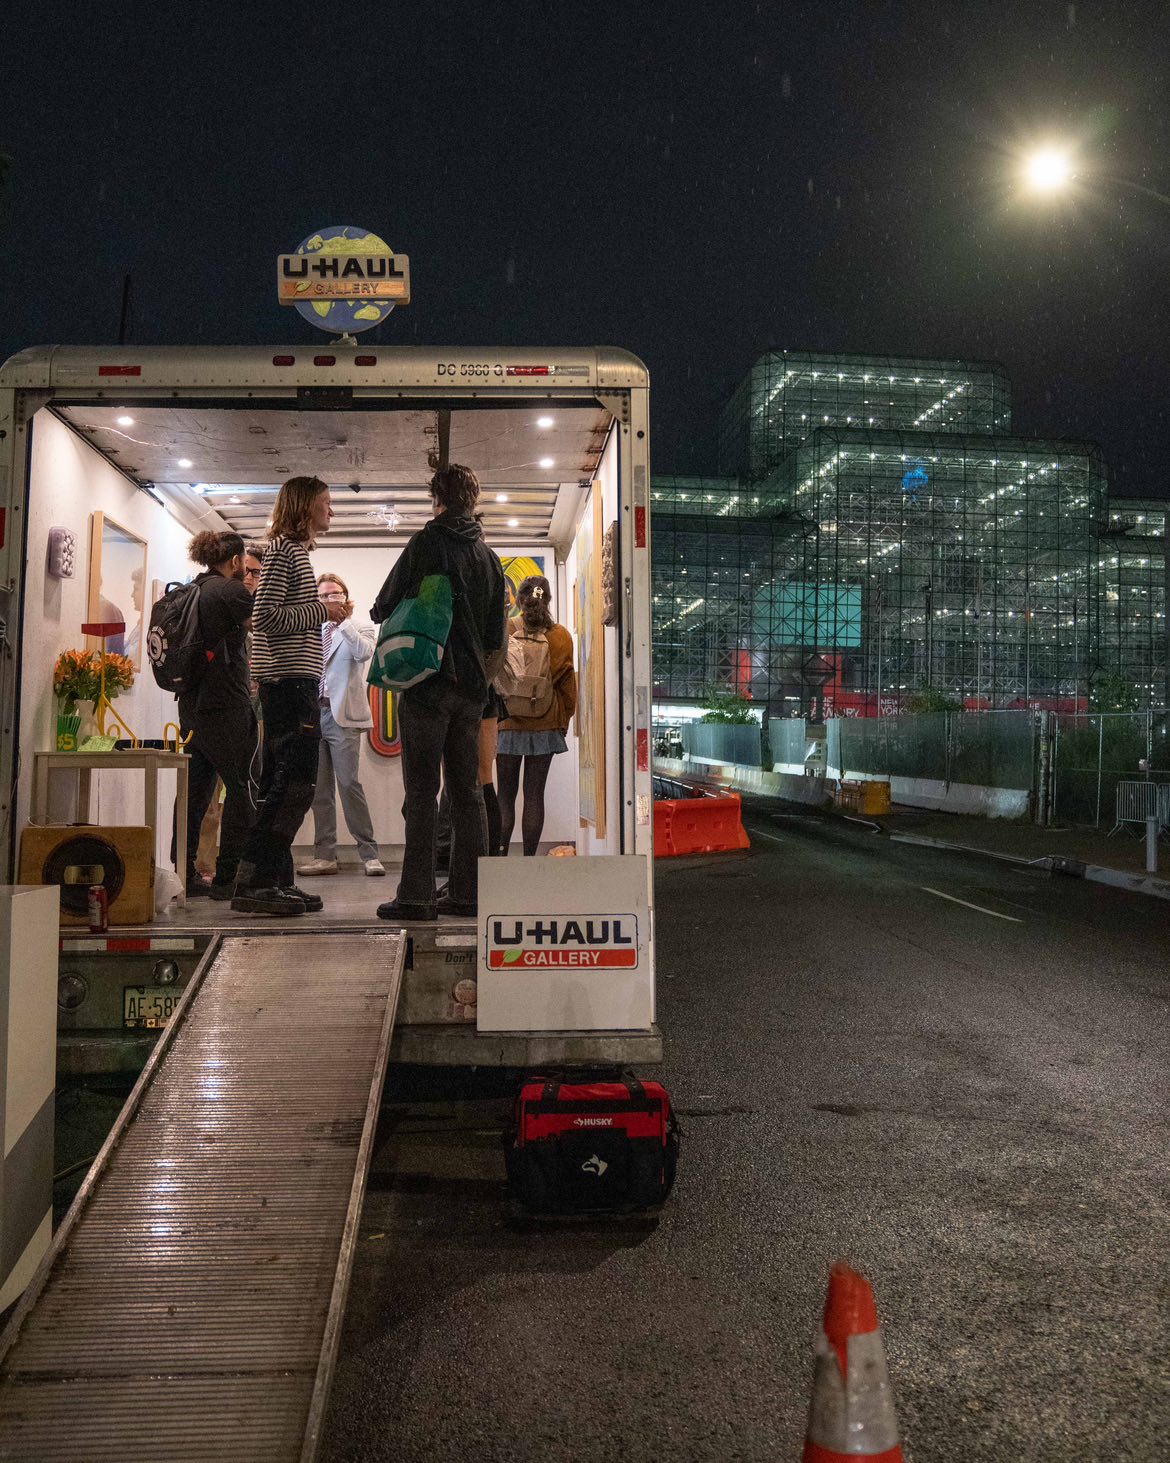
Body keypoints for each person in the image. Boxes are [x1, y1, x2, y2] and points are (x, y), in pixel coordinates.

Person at [370, 463, 506, 920]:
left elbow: (382, 605)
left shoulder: (427, 542)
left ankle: (416, 896)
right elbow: (493, 637)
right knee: (468, 792)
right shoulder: (488, 558)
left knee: (422, 791)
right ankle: (468, 894)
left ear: (438, 499)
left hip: (427, 683)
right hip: (471, 691)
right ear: (475, 501)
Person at [232, 475, 345, 917]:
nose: (331, 511)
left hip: (294, 683)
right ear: (304, 508)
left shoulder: (289, 552)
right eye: (326, 503)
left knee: (289, 782)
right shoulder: (283, 551)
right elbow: (265, 617)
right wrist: (324, 610)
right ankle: (256, 880)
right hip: (289, 684)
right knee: (294, 784)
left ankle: (277, 879)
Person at [170, 530, 259, 899]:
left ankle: (184, 873)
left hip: (191, 706)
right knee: (243, 789)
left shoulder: (190, 590)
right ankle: (228, 877)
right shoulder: (232, 591)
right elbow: (263, 625)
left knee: (194, 794)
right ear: (236, 561)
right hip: (227, 705)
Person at [297, 572, 385, 877]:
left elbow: (363, 653)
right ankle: (325, 855)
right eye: (322, 596)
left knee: (349, 784)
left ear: (345, 597)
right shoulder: (310, 630)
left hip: (343, 716)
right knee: (319, 790)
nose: (328, 599)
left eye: (334, 594)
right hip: (312, 715)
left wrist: (342, 621)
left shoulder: (359, 627)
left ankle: (369, 853)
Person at [496, 575, 577, 855]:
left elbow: (494, 675)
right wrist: (562, 722)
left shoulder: (506, 628)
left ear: (519, 599)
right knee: (534, 796)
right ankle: (530, 862)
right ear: (549, 599)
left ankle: (500, 858)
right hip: (545, 724)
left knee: (504, 796)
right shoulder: (561, 636)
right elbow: (567, 687)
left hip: (506, 723)